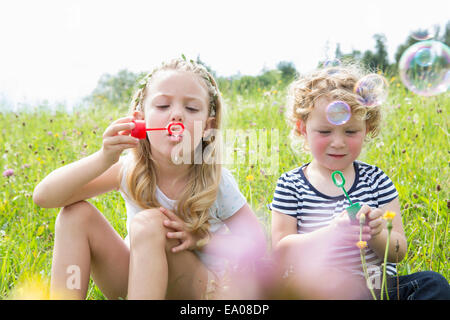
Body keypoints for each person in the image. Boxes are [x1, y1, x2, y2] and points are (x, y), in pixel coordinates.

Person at [33, 58, 267, 300]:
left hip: (197, 289)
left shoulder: (216, 182)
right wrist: (104, 158)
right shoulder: (129, 169)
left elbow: (256, 245)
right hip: (136, 280)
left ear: (208, 126)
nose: (176, 115)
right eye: (163, 106)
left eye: (192, 109)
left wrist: (202, 239)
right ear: (140, 120)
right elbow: (44, 197)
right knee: (75, 215)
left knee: (151, 223)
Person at [269, 63, 450, 300]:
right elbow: (282, 250)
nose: (338, 142)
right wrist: (332, 232)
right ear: (303, 129)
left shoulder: (376, 180)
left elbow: (398, 252)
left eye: (350, 132)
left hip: (379, 290)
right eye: (325, 132)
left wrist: (376, 233)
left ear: (367, 129)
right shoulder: (291, 184)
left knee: (432, 283)